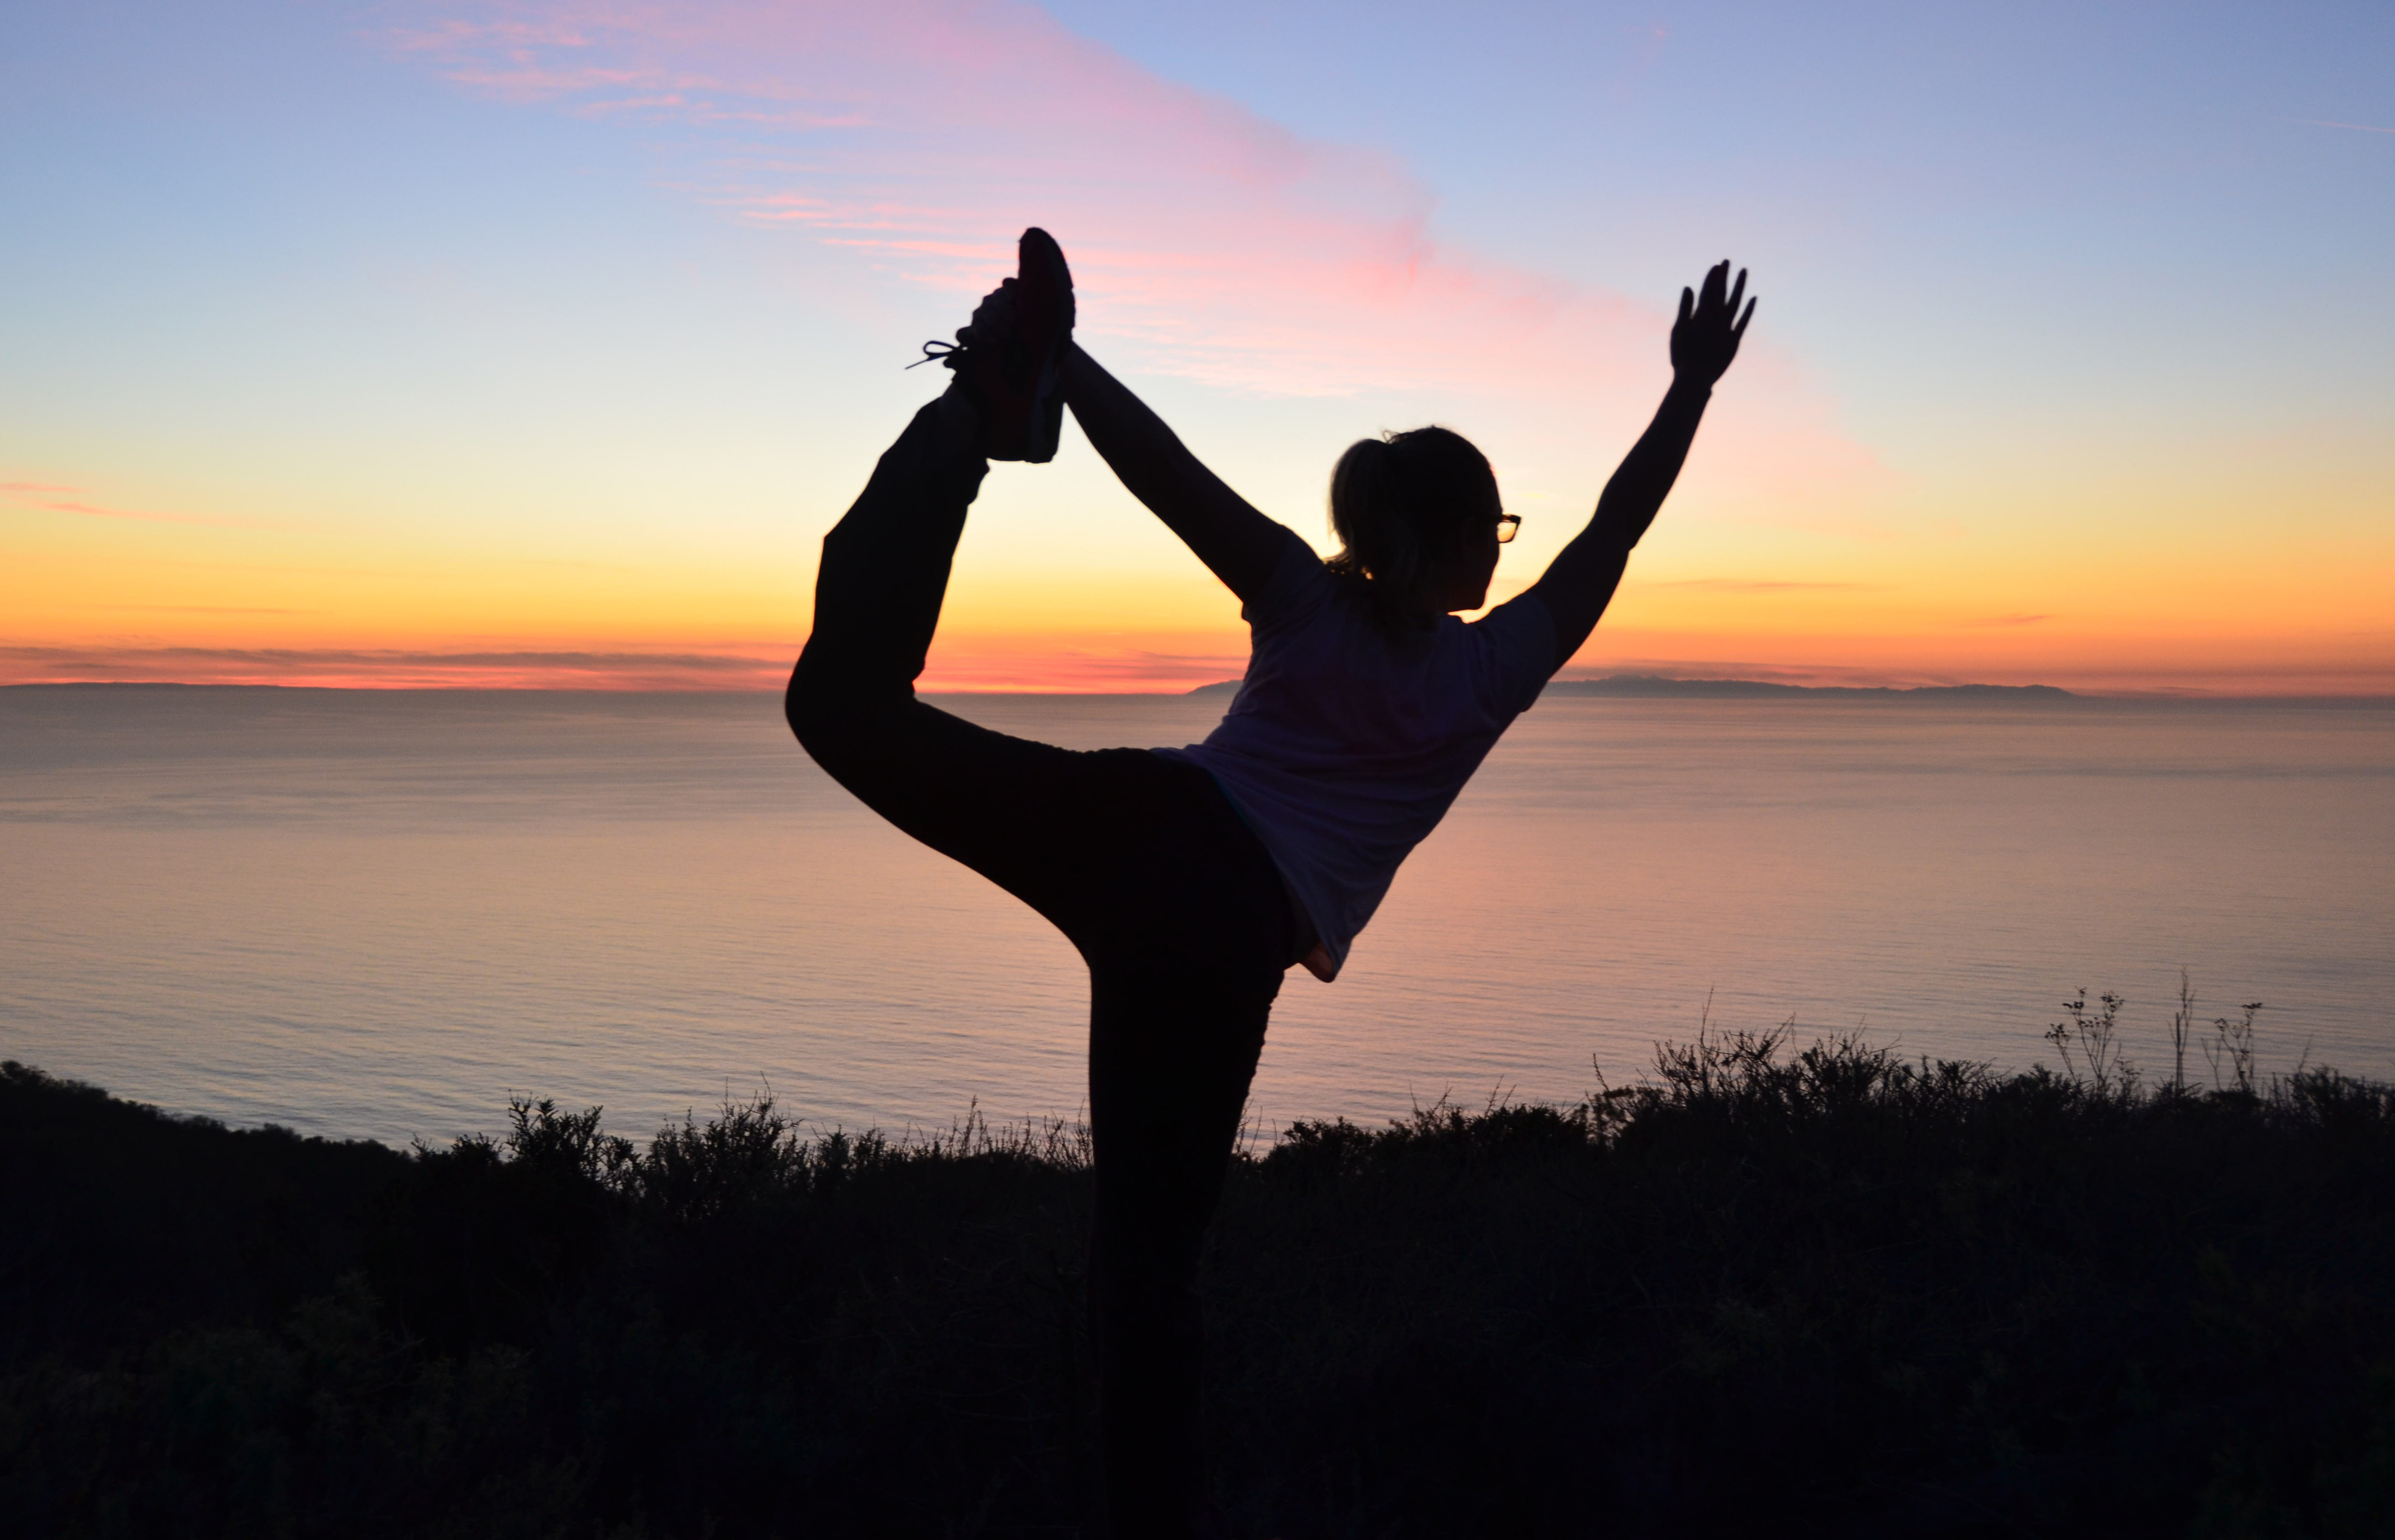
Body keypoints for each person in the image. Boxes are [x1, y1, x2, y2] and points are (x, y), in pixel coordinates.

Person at [785, 229, 1753, 1537]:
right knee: (1146, 1280)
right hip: (1216, 926)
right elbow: (1614, 535)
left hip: (1139, 821)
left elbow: (1166, 475)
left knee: (842, 702)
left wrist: (1061, 363)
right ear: (1452, 535)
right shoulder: (1489, 671)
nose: (1506, 547)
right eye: (1496, 526)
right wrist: (1689, 389)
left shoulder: (1304, 596)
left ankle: (973, 419)